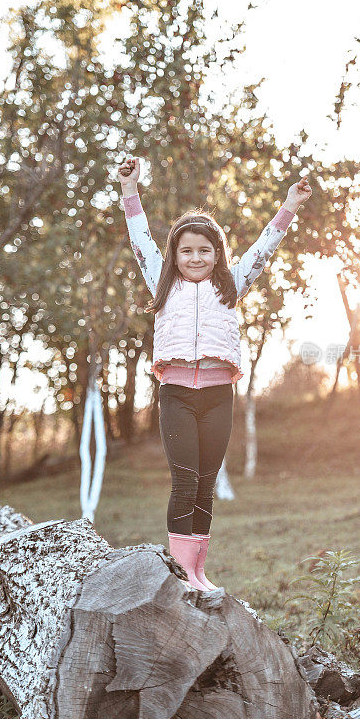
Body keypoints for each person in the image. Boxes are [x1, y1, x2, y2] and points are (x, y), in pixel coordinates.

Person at [118, 156, 312, 591]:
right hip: (177, 396)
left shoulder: (233, 283)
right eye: (186, 250)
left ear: (218, 253)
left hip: (219, 396)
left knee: (206, 483)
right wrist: (131, 190)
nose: (195, 257)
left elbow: (265, 247)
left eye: (205, 250)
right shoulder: (162, 282)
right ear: (175, 254)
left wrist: (289, 205)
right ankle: (180, 572)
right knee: (184, 481)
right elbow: (140, 240)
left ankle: (198, 570)